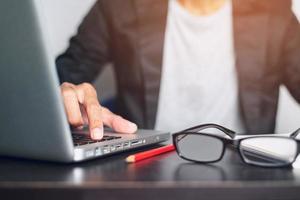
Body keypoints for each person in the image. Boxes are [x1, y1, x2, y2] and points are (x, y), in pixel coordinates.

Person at [56, 0, 300, 140]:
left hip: (247, 176)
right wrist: (65, 92)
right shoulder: (120, 5)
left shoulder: (274, 12)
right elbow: (61, 78)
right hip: (143, 175)